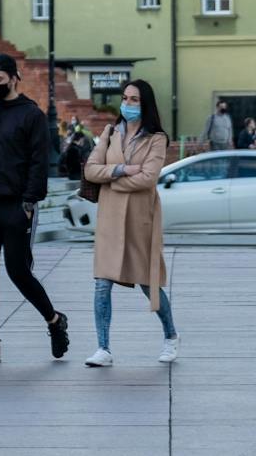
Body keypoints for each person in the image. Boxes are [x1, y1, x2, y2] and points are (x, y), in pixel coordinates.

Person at [0, 53, 69, 364]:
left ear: (13, 78)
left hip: (14, 206)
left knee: (18, 271)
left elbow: (39, 162)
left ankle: (53, 320)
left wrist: (28, 202)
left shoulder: (31, 116)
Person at [81, 79, 178, 367]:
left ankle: (171, 336)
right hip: (110, 219)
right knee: (102, 283)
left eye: (134, 99)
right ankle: (103, 348)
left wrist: (113, 181)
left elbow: (148, 177)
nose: (127, 104)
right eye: (125, 98)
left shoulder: (156, 138)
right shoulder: (110, 133)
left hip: (139, 219)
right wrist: (122, 170)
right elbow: (90, 169)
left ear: (144, 104)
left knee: (148, 284)